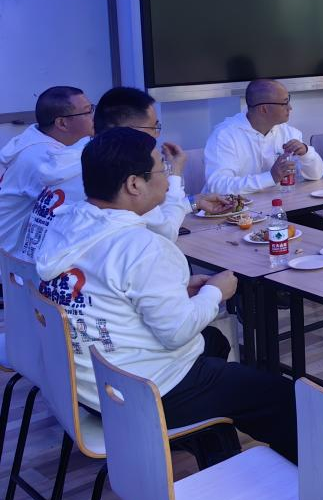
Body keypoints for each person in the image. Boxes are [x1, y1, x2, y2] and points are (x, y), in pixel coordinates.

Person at [34, 128, 297, 462]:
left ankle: (215, 450)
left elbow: (107, 294)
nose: (167, 178)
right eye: (162, 169)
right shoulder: (142, 246)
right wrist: (215, 292)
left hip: (88, 386)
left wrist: (178, 291)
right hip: (143, 392)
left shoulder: (67, 224)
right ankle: (312, 482)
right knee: (281, 396)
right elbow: (176, 333)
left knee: (213, 342)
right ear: (134, 184)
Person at [20, 86, 235, 260]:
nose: (157, 135)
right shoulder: (111, 169)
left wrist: (192, 202)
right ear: (127, 131)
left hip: (40, 282)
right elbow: (165, 232)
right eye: (153, 128)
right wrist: (175, 174)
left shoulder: (75, 155)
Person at [0, 86, 94, 254]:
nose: (94, 117)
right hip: (13, 254)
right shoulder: (45, 158)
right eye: (88, 111)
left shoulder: (35, 138)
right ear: (62, 123)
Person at [203, 79, 323, 193]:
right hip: (233, 207)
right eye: (284, 103)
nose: (290, 107)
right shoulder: (225, 135)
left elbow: (316, 175)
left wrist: (306, 153)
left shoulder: (289, 133)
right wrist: (270, 177)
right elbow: (218, 186)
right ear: (264, 109)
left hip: (277, 203)